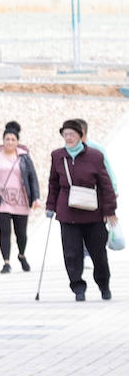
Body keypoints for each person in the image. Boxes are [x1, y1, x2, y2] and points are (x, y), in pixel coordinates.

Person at [46, 119, 117, 301]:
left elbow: (105, 184)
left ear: (80, 136)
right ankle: (78, 287)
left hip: (93, 212)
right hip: (67, 212)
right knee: (71, 253)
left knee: (99, 254)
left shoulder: (94, 156)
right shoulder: (57, 156)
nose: (68, 138)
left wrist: (110, 210)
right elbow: (53, 183)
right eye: (65, 134)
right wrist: (50, 206)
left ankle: (104, 284)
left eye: (72, 134)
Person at [0, 121, 40, 274]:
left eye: (13, 139)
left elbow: (32, 177)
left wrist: (36, 198)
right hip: (1, 200)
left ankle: (21, 255)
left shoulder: (24, 157)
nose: (10, 142)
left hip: (21, 199)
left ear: (17, 142)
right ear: (3, 140)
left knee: (21, 233)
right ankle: (6, 262)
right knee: (4, 231)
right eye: (7, 139)